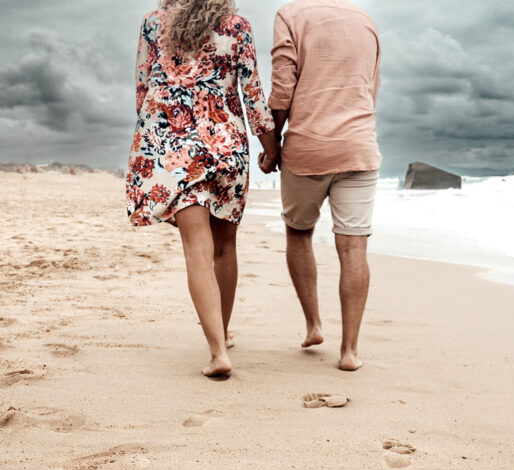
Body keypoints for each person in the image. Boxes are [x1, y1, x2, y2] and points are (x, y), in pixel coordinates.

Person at [126, 0, 280, 377]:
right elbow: (253, 94)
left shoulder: (153, 23)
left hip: (176, 149)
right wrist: (271, 149)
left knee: (198, 249)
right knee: (225, 248)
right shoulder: (237, 26)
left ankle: (217, 353)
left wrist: (154, 135)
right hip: (226, 146)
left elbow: (143, 87)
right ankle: (223, 333)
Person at [267, 0, 381, 371]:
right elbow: (371, 88)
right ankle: (349, 351)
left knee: (298, 233)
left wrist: (274, 142)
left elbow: (283, 86)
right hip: (359, 147)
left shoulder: (291, 15)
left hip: (308, 147)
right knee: (353, 247)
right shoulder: (366, 20)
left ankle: (314, 324)